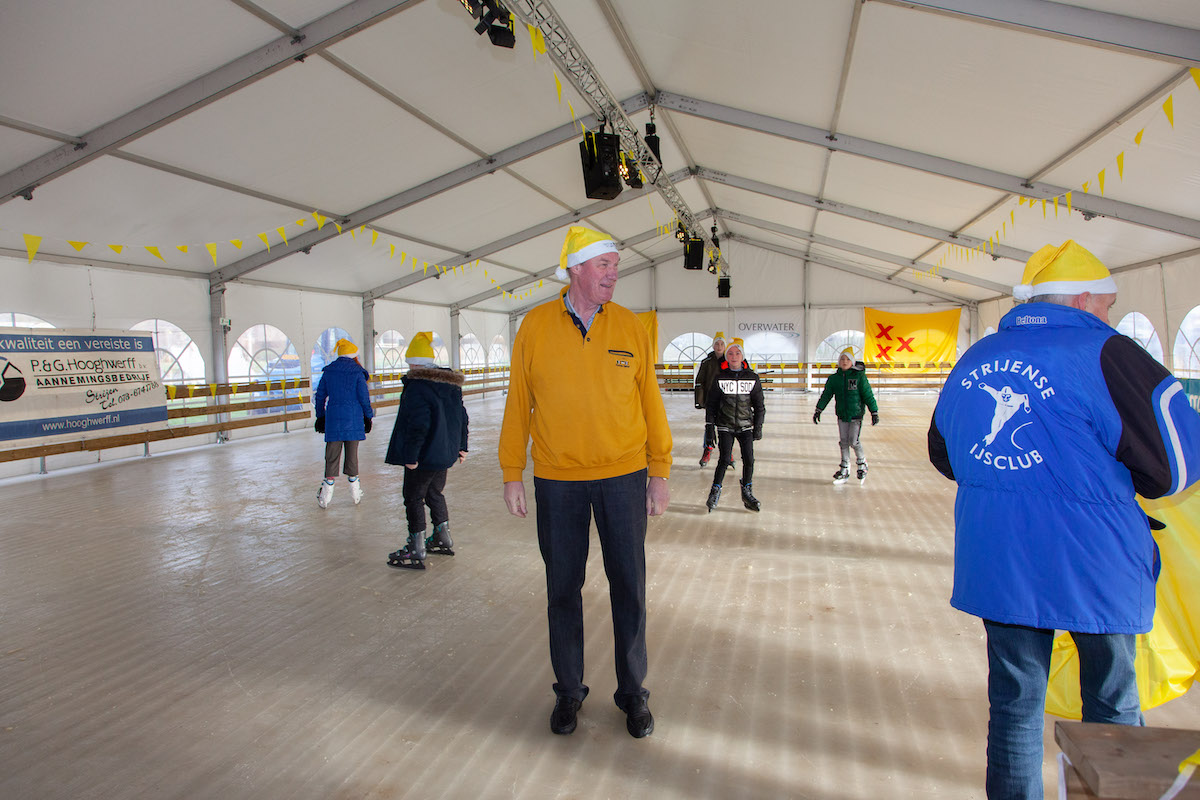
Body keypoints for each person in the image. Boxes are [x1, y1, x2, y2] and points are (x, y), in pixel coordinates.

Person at [927, 240, 1200, 800]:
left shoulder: (977, 357)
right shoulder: (1108, 353)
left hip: (999, 558)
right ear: (1082, 298)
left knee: (1013, 704)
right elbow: (1174, 465)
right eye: (1107, 305)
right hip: (1094, 564)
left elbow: (944, 452)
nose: (1109, 317)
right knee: (1111, 703)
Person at [499, 225, 672, 740]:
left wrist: (659, 470)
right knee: (562, 589)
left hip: (624, 476)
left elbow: (651, 402)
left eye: (616, 265)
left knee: (630, 588)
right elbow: (518, 403)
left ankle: (633, 693)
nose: (614, 273)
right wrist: (512, 472)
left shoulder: (630, 326)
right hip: (558, 480)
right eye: (604, 265)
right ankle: (569, 691)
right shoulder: (534, 326)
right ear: (575, 269)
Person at [383, 332, 469, 571]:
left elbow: (418, 424)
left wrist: (411, 456)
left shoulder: (418, 386)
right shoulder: (449, 385)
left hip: (424, 455)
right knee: (434, 492)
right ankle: (442, 537)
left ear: (414, 363)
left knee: (413, 497)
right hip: (445, 452)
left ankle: (416, 546)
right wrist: (462, 446)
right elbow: (462, 416)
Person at [704, 337, 764, 512]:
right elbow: (711, 405)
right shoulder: (720, 378)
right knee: (724, 459)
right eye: (730, 353)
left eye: (737, 353)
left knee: (749, 459)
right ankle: (715, 490)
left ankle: (747, 491)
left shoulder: (752, 378)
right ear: (726, 357)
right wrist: (710, 427)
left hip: (745, 426)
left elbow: (759, 405)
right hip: (725, 426)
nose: (734, 356)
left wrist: (758, 426)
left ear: (742, 356)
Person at [313, 338, 374, 508]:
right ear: (354, 356)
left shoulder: (329, 372)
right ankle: (355, 493)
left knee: (331, 456)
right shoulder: (358, 373)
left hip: (333, 420)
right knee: (352, 456)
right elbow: (364, 398)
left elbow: (320, 395)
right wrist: (368, 417)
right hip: (353, 420)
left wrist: (320, 416)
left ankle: (326, 495)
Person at [813, 348, 878, 483]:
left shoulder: (859, 377)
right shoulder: (834, 379)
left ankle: (862, 464)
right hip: (842, 414)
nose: (844, 361)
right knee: (843, 441)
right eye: (842, 359)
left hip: (856, 414)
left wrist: (874, 412)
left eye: (848, 359)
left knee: (853, 441)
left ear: (852, 362)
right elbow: (826, 395)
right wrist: (818, 410)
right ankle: (844, 468)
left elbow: (867, 395)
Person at [693, 332, 727, 466]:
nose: (719, 346)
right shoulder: (706, 362)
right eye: (717, 344)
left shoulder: (729, 361)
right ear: (713, 346)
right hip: (711, 400)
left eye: (722, 344)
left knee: (725, 427)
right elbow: (700, 382)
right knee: (710, 426)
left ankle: (727, 453)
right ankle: (708, 448)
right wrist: (699, 400)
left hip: (726, 401)